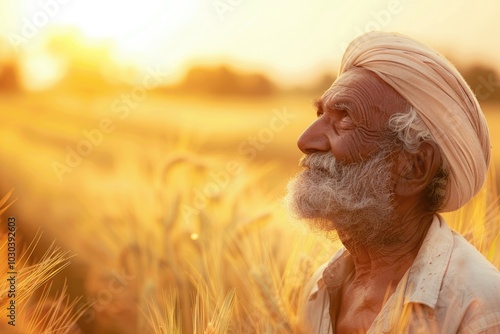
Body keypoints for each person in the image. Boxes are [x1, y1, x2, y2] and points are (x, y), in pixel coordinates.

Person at [285, 31, 500, 333]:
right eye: (320, 113)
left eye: (344, 117)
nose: (305, 140)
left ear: (414, 166)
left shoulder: (480, 311)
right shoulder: (317, 290)